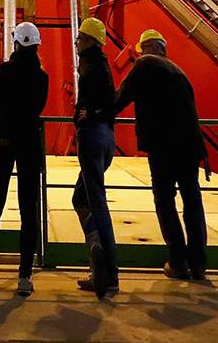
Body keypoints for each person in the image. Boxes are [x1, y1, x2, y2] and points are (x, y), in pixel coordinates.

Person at [114, 29, 209, 280]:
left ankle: (178, 261)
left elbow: (121, 97)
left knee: (164, 199)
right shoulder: (179, 71)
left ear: (147, 48)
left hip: (164, 145)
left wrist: (97, 115)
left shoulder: (145, 64)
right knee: (192, 199)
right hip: (189, 146)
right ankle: (198, 263)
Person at [0, 21, 48, 296]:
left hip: (5, 140)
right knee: (29, 209)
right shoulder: (42, 76)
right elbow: (39, 107)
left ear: (16, 43)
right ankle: (25, 277)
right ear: (37, 45)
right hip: (30, 141)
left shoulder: (5, 70)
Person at [71, 16, 119, 298]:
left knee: (97, 203)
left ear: (90, 40)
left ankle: (108, 274)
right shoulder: (102, 64)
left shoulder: (89, 64)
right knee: (80, 198)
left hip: (92, 136)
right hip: (106, 137)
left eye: (80, 37)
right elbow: (111, 100)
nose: (76, 42)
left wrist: (85, 114)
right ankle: (95, 248)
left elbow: (92, 98)